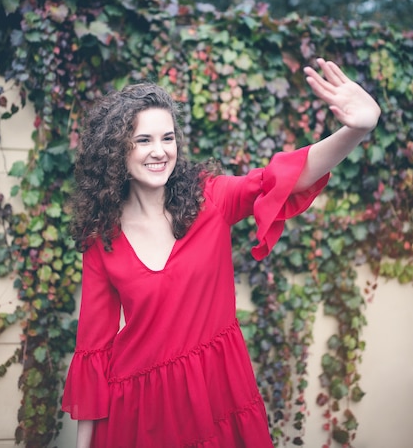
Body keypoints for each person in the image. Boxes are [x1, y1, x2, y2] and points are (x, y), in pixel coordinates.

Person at [61, 58, 381, 448]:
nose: (159, 151)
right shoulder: (102, 239)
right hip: (138, 410)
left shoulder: (209, 199)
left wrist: (356, 130)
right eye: (143, 140)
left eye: (167, 137)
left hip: (217, 393)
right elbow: (94, 349)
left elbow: (283, 178)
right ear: (117, 150)